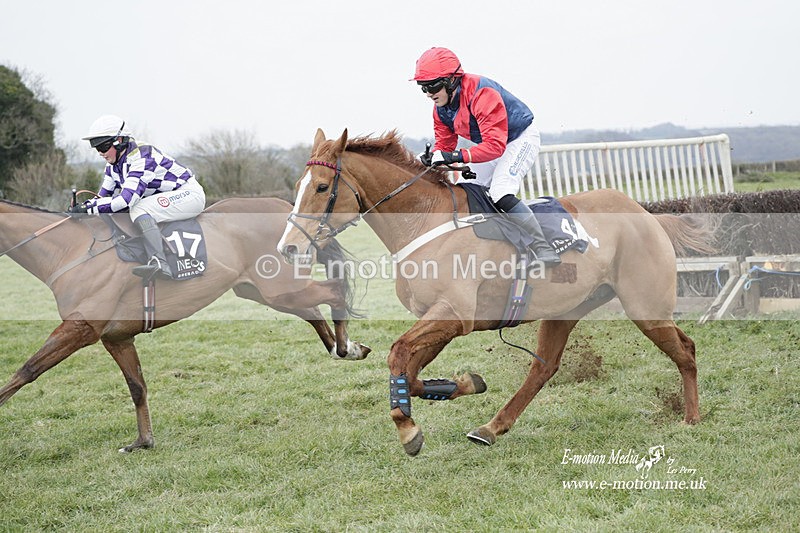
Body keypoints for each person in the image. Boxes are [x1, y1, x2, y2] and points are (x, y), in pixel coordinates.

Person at [411, 47, 560, 265]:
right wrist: (433, 157)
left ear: (452, 80)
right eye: (422, 87)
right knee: (463, 192)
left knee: (500, 192)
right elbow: (445, 143)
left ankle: (543, 247)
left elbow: (495, 147)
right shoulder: (440, 108)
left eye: (432, 85)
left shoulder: (482, 94)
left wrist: (454, 156)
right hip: (492, 143)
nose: (428, 93)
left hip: (519, 139)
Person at [71, 114, 206, 279]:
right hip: (169, 196)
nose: (100, 153)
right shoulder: (112, 166)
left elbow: (125, 200)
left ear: (119, 141)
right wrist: (83, 208)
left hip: (189, 195)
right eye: (96, 148)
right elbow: (102, 198)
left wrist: (90, 208)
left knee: (138, 208)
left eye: (103, 147)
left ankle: (159, 261)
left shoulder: (141, 157)